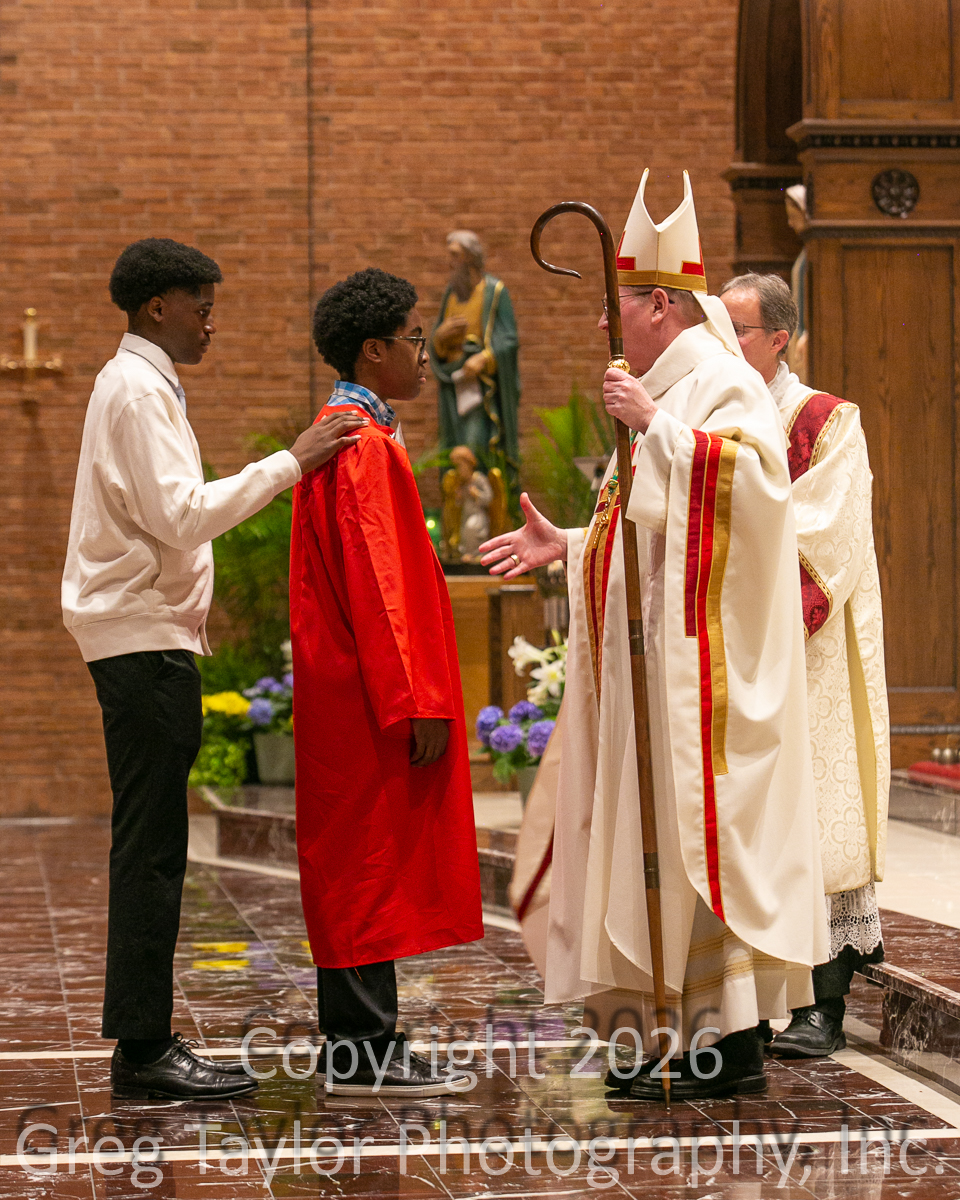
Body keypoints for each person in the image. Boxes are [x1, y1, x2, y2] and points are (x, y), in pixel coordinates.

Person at [482, 171, 829, 1101]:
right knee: (656, 847)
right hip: (651, 672)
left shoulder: (720, 384)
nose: (604, 321)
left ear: (662, 305)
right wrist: (572, 541)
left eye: (617, 304)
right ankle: (676, 1029)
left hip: (702, 683)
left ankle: (728, 1042)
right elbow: (641, 530)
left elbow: (757, 493)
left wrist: (659, 434)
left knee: (698, 844)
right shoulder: (663, 386)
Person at [62, 238, 365, 1100]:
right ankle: (144, 1049)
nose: (211, 322)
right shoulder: (135, 389)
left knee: (153, 845)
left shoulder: (141, 383)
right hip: (140, 640)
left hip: (146, 635)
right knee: (152, 851)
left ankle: (144, 1042)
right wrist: (292, 461)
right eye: (202, 306)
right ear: (158, 306)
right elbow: (183, 516)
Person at [291, 267, 484, 1096]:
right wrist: (418, 698)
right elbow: (380, 584)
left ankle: (361, 1041)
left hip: (350, 683)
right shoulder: (359, 445)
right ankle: (362, 1049)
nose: (424, 354)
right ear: (373, 351)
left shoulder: (348, 432)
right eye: (413, 338)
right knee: (366, 863)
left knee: (359, 861)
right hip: (369, 692)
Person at [719, 271, 890, 1056]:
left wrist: (755, 607)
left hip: (804, 647)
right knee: (749, 824)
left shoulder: (825, 419)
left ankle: (824, 1002)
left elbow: (827, 530)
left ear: (778, 338)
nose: (724, 344)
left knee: (819, 813)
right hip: (731, 649)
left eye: (737, 331)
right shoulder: (715, 418)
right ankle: (750, 995)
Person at [429, 231, 521, 493]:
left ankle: (481, 501)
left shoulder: (494, 291)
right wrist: (439, 339)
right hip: (453, 383)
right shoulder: (452, 293)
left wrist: (485, 357)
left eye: (455, 255)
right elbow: (437, 339)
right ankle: (457, 507)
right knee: (453, 445)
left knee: (476, 445)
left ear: (470, 257)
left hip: (482, 389)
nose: (450, 262)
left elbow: (509, 339)